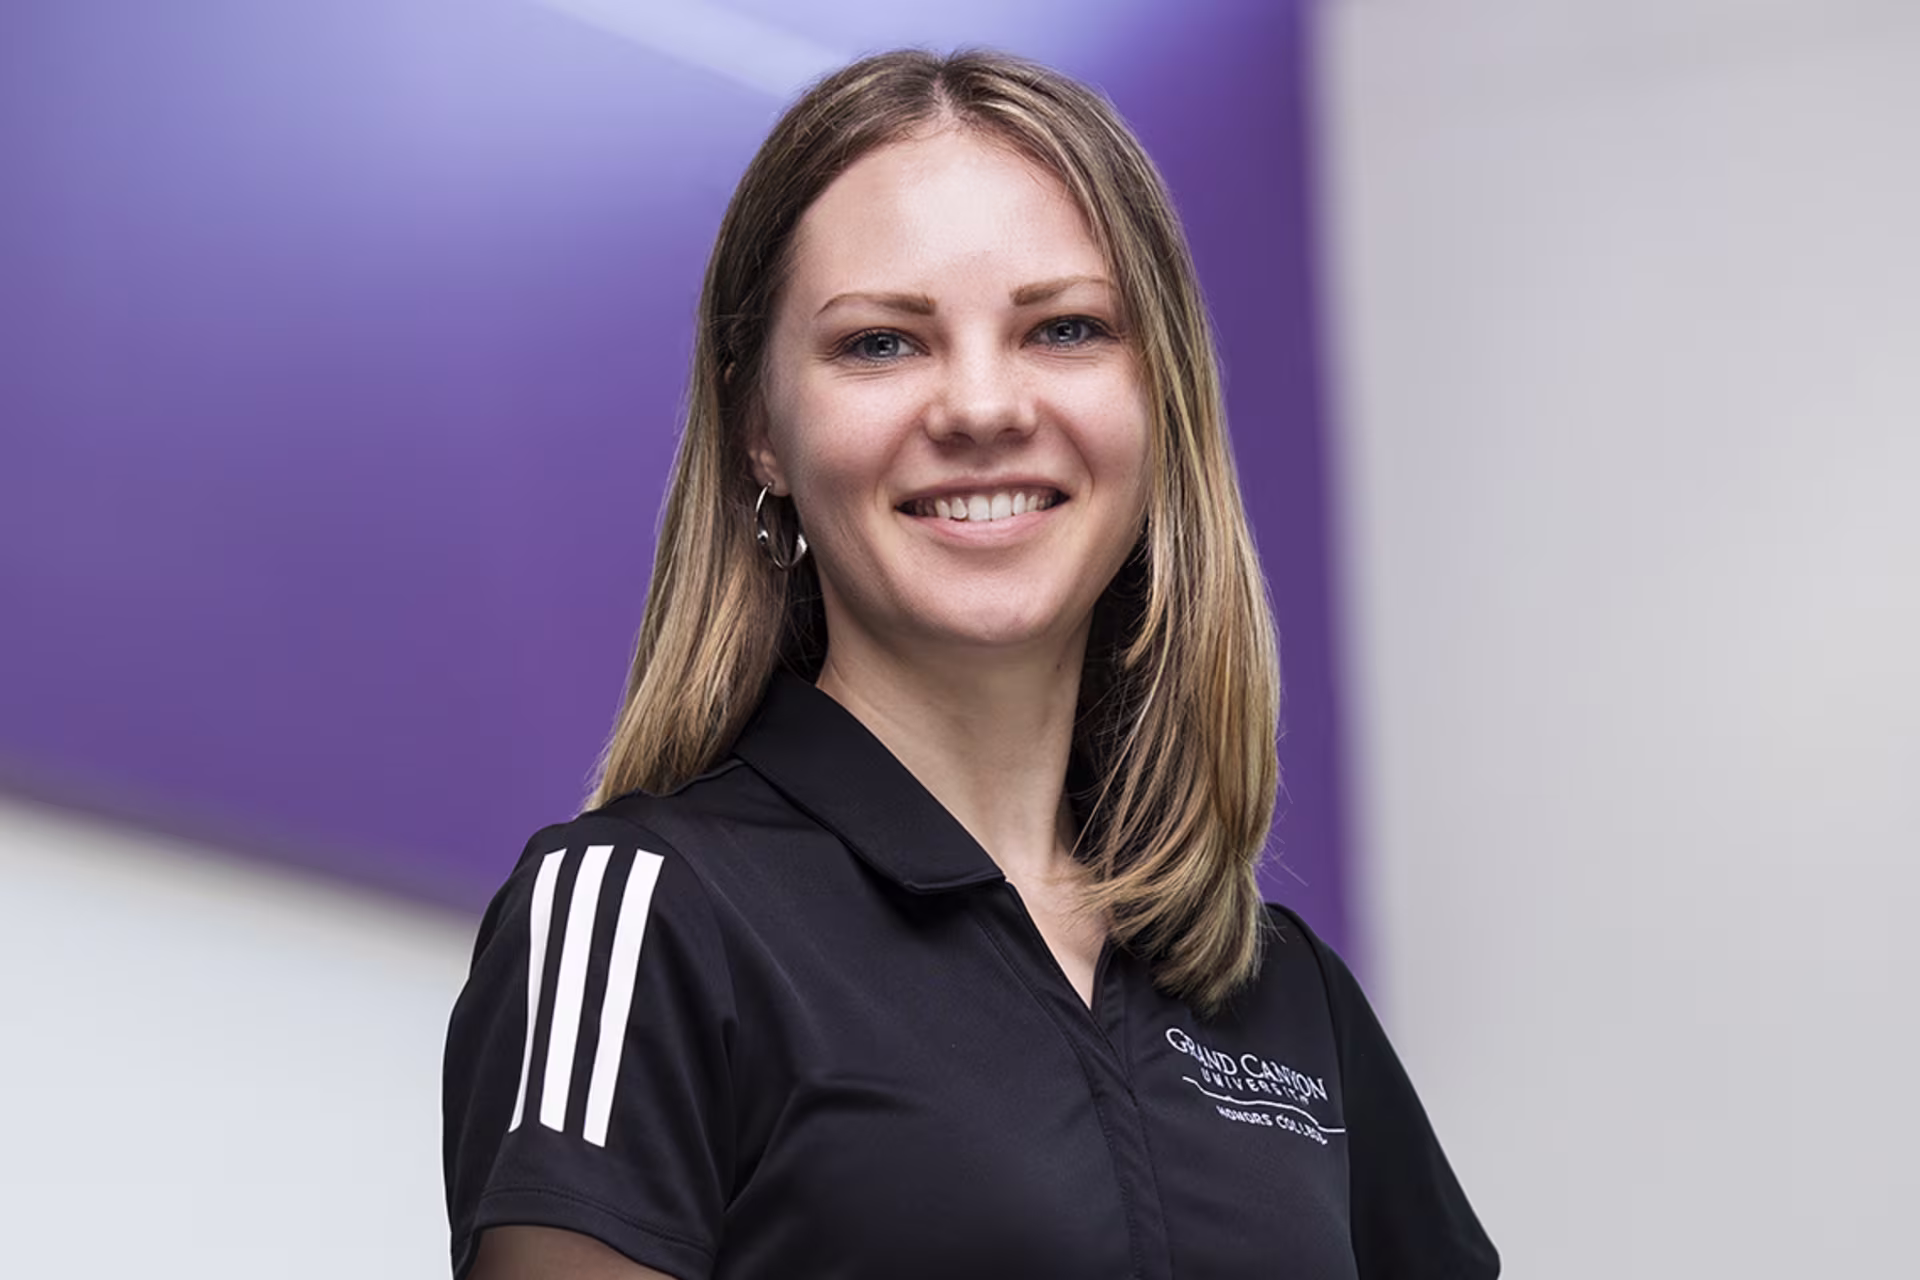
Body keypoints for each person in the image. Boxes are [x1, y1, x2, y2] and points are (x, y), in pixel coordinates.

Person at [442, 48, 1497, 1280]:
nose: (984, 406)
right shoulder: (640, 915)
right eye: (884, 344)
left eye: (1065, 328)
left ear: (1160, 406)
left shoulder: (1284, 995)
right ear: (761, 430)